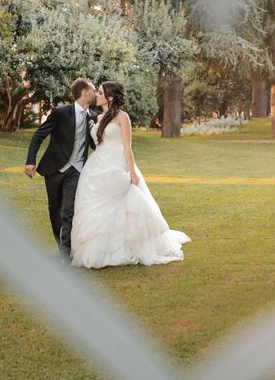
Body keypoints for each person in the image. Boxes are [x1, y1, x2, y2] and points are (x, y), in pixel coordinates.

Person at [70, 81, 191, 269]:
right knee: (94, 205)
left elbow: (127, 146)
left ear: (110, 97)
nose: (97, 95)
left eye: (100, 92)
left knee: (124, 202)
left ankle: (128, 248)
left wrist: (132, 172)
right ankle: (98, 249)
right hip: (96, 168)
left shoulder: (122, 117)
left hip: (117, 163)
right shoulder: (98, 117)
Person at [25, 78, 98, 263]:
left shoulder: (93, 117)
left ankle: (66, 253)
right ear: (84, 93)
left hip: (77, 169)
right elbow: (39, 134)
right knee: (54, 209)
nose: (96, 93)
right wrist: (30, 161)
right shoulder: (60, 113)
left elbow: (94, 144)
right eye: (93, 90)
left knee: (68, 210)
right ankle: (61, 244)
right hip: (55, 168)